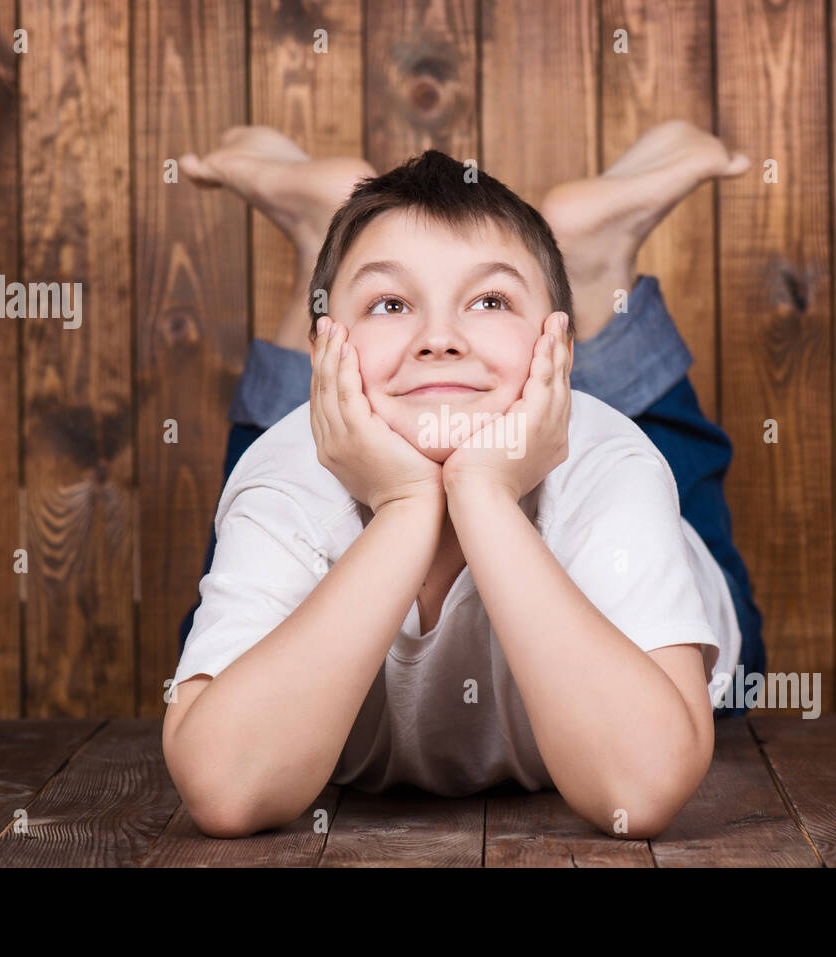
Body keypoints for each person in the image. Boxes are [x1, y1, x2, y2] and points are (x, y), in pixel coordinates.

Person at [162, 122, 764, 840]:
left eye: (491, 301)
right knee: (231, 610)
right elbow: (226, 784)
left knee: (729, 638)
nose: (439, 336)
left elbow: (643, 783)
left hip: (620, 490)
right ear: (324, 352)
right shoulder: (286, 477)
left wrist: (483, 496)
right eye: (390, 303)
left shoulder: (613, 467)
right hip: (310, 446)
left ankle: (596, 266)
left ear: (562, 353)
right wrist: (406, 509)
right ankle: (315, 253)